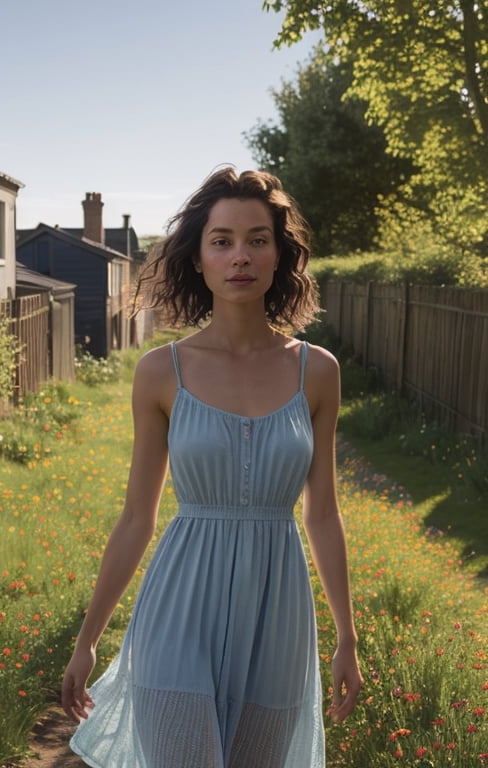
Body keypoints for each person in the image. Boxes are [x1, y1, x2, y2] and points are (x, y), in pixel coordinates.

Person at [61, 167, 362, 767]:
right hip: (178, 608)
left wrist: (346, 638)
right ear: (199, 259)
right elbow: (134, 520)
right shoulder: (160, 371)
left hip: (277, 618)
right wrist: (88, 640)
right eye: (221, 241)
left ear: (280, 255)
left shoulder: (318, 371)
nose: (240, 256)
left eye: (257, 239)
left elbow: (322, 513)